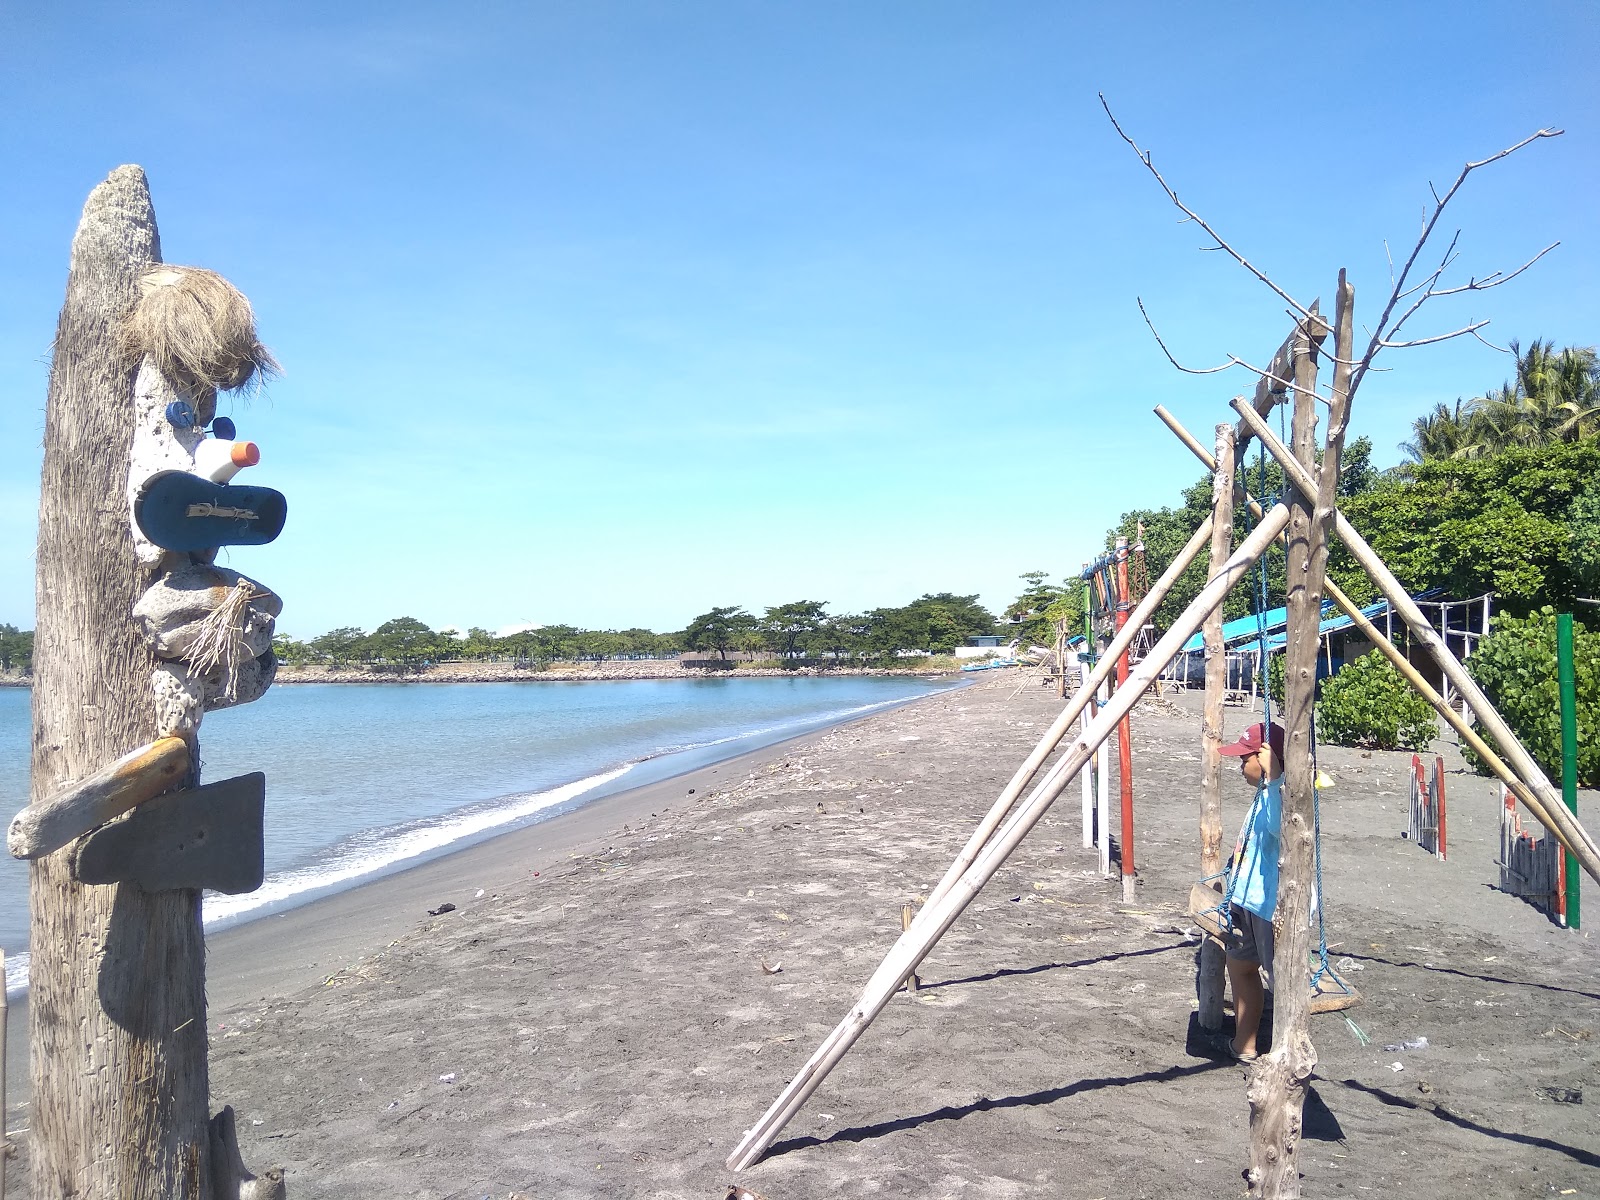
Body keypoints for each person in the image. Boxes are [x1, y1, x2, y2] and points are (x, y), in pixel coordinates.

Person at [1216, 720, 1286, 1061]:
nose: (1241, 765)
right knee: (1239, 965)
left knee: (1280, 979)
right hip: (1245, 898)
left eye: (1247, 758)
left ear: (1268, 757)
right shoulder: (1263, 793)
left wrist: (1275, 779)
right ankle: (1244, 1044)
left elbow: (1281, 828)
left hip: (1270, 906)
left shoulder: (1285, 794)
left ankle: (1285, 1053)